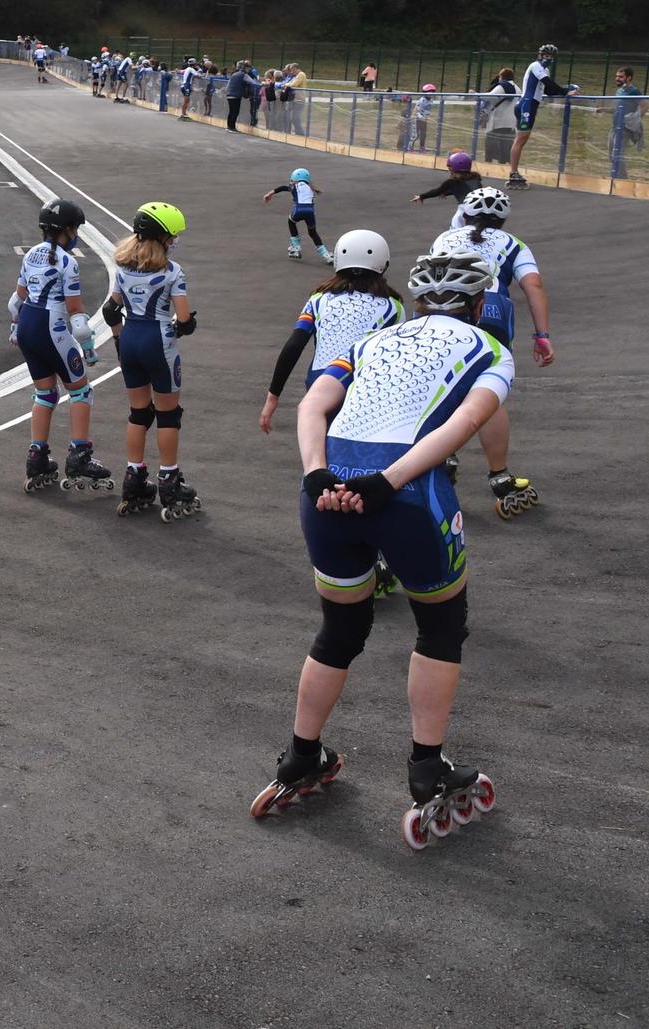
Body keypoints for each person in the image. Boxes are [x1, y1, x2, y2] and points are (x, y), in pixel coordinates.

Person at [248, 253, 509, 849]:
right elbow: (465, 424)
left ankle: (300, 757)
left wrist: (318, 476)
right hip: (409, 498)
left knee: (339, 629)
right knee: (441, 628)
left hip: (325, 494)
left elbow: (313, 403)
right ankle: (426, 767)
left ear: (417, 303)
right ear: (478, 304)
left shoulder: (373, 340)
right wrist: (386, 484)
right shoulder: (492, 350)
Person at [429, 187, 552, 517]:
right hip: (491, 309)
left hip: (441, 306)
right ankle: (499, 477)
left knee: (446, 387)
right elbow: (533, 286)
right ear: (503, 219)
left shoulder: (446, 237)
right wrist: (542, 335)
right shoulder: (513, 244)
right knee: (488, 391)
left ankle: (442, 456)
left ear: (464, 214)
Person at [9, 200, 112, 495]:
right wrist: (89, 349)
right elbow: (77, 318)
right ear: (68, 230)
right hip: (50, 327)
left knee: (46, 393)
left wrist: (16, 327)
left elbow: (15, 301)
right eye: (76, 229)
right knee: (81, 391)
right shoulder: (68, 262)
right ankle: (80, 456)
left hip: (28, 322)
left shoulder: (30, 254)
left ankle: (37, 456)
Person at [104, 202, 198, 520]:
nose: (176, 240)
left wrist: (119, 340)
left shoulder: (123, 268)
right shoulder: (172, 272)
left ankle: (134, 477)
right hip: (159, 343)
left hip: (130, 339)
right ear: (163, 238)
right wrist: (185, 326)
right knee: (169, 415)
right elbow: (183, 319)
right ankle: (169, 480)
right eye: (173, 235)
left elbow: (109, 310)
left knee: (139, 413)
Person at [259, 230, 402, 437]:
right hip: (364, 385)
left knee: (320, 451)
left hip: (321, 380)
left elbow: (295, 344)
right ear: (383, 264)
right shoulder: (393, 307)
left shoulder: (319, 300)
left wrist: (273, 396)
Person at [508, 43, 578, 188]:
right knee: (520, 140)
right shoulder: (536, 66)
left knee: (521, 140)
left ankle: (513, 171)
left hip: (530, 105)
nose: (548, 58)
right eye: (545, 55)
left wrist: (566, 90)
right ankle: (513, 172)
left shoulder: (544, 70)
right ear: (539, 55)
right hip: (526, 105)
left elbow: (549, 90)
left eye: (550, 56)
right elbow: (548, 83)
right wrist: (565, 91)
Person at [264, 168, 333, 262]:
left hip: (299, 210)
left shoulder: (294, 186)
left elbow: (283, 188)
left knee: (291, 222)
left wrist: (269, 194)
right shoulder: (311, 187)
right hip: (310, 212)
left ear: (295, 179)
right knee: (313, 233)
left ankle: (296, 248)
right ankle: (326, 255)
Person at [412, 151, 483, 223]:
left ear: (452, 168)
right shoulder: (475, 178)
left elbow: (437, 191)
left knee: (455, 226)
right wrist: (446, 193)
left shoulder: (451, 182)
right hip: (483, 206)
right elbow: (465, 189)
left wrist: (421, 196)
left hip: (466, 208)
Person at [479, 68, 518, 169]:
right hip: (511, 123)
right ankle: (506, 168)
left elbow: (490, 97)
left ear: (501, 77)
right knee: (506, 149)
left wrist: (476, 95)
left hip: (498, 122)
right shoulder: (517, 88)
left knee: (491, 148)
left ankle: (490, 168)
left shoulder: (502, 86)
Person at [612, 67, 647, 173]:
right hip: (614, 127)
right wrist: (602, 109)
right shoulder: (619, 91)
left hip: (625, 128)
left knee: (617, 155)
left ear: (629, 78)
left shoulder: (634, 91)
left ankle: (622, 181)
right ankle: (617, 178)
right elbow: (617, 109)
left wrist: (634, 117)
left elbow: (646, 106)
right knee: (612, 155)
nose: (617, 78)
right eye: (617, 76)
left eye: (621, 77)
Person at [226, 62, 253, 131]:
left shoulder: (235, 74)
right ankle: (232, 127)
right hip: (236, 95)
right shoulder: (244, 75)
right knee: (235, 111)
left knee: (231, 111)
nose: (250, 70)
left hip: (229, 94)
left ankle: (229, 126)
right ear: (246, 68)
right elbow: (252, 82)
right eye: (249, 68)